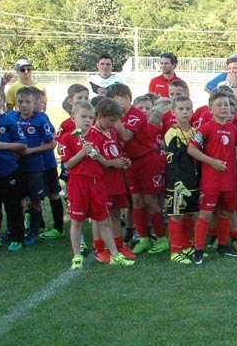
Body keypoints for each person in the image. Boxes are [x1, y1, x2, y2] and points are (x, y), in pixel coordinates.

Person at [57, 100, 135, 268]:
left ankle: (115, 254)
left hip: (97, 182)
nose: (87, 120)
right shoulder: (67, 138)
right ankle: (77, 256)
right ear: (73, 117)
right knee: (77, 220)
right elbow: (68, 164)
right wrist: (82, 153)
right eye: (83, 117)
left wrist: (101, 157)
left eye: (90, 117)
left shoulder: (97, 136)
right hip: (78, 183)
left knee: (103, 220)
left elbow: (104, 162)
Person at [107, 83, 169, 255]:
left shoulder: (137, 115)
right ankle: (143, 238)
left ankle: (162, 239)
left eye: (116, 101)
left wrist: (116, 120)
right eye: (111, 102)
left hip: (147, 161)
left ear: (127, 98)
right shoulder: (120, 116)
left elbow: (126, 136)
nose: (114, 105)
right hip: (130, 163)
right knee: (136, 201)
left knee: (150, 201)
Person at [187, 89, 237, 264]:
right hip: (211, 181)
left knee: (225, 212)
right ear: (210, 109)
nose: (223, 108)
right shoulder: (206, 127)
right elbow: (191, 149)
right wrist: (212, 162)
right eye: (219, 105)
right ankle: (198, 250)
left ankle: (223, 246)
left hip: (229, 180)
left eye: (226, 104)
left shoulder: (232, 128)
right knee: (206, 214)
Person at [90, 98, 136, 262]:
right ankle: (99, 248)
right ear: (100, 116)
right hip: (102, 181)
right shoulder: (92, 134)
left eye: (116, 121)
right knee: (99, 215)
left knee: (115, 213)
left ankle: (119, 245)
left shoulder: (113, 132)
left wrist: (123, 160)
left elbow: (115, 151)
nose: (114, 124)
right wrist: (111, 163)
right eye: (111, 120)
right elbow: (94, 158)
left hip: (116, 179)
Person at [10, 87, 55, 246]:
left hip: (34, 167)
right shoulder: (11, 117)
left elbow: (51, 144)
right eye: (20, 101)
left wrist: (30, 151)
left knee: (35, 200)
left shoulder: (40, 120)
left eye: (28, 102)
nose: (24, 105)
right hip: (14, 167)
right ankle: (15, 230)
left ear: (34, 103)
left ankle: (34, 231)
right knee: (16, 200)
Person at [162, 95, 200, 264]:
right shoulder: (172, 133)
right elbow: (171, 161)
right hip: (177, 182)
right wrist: (177, 182)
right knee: (176, 215)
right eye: (181, 109)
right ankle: (175, 251)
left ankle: (186, 246)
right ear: (173, 112)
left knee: (189, 214)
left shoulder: (194, 132)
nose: (185, 112)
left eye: (188, 109)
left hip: (192, 180)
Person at [0, 83, 27, 252]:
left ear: (3, 102)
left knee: (13, 207)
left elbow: (22, 145)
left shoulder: (10, 122)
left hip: (8, 171)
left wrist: (2, 146)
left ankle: (17, 237)